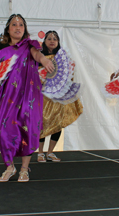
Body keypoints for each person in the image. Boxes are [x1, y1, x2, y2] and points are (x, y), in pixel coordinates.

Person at [0, 14, 54, 182]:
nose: (18, 27)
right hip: (6, 96)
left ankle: (24, 169)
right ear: (8, 29)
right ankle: (10, 167)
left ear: (24, 29)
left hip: (28, 95)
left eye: (21, 25)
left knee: (28, 128)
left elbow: (37, 55)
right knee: (2, 130)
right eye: (14, 24)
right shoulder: (0, 46)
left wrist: (44, 59)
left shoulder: (29, 45)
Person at [37, 31, 83, 163]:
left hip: (59, 96)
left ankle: (50, 152)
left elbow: (69, 75)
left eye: (55, 39)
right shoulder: (39, 57)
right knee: (43, 122)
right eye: (49, 38)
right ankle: (40, 153)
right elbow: (34, 74)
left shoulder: (63, 57)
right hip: (43, 95)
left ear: (58, 42)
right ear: (45, 41)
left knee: (58, 122)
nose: (52, 41)